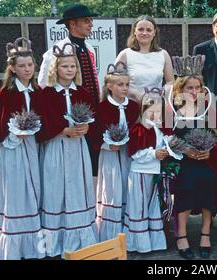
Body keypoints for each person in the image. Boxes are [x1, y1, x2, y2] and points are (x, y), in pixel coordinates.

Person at [167, 55, 217, 259]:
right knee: (186, 184)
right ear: (180, 90)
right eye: (189, 88)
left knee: (208, 179)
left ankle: (205, 233)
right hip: (181, 161)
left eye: (198, 88)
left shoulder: (206, 110)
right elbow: (167, 136)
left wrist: (208, 149)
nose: (194, 92)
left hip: (205, 160)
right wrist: (185, 150)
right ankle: (182, 236)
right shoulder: (173, 111)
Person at [37, 43, 98, 257]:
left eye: (73, 66)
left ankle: (80, 237)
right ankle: (54, 241)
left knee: (77, 186)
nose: (70, 70)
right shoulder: (46, 94)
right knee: (56, 187)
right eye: (65, 66)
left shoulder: (81, 92)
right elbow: (41, 124)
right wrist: (63, 129)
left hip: (77, 148)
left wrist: (87, 126)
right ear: (56, 69)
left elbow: (93, 118)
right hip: (56, 146)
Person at [0, 37, 44, 260]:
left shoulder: (38, 91)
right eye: (21, 65)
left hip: (34, 147)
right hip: (14, 149)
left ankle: (35, 245)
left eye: (30, 65)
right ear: (12, 68)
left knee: (35, 189)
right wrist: (12, 133)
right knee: (17, 191)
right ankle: (15, 244)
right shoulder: (4, 94)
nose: (27, 69)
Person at [38, 2, 100, 176]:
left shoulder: (88, 49)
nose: (91, 24)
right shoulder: (55, 52)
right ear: (73, 24)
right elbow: (45, 86)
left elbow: (93, 81)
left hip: (88, 118)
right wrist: (60, 123)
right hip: (66, 120)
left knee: (89, 164)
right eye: (86, 20)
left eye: (90, 20)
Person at [95, 63, 139, 242]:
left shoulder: (134, 106)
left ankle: (129, 231)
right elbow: (94, 132)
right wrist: (106, 145)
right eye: (120, 85)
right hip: (110, 155)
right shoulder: (102, 107)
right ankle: (110, 234)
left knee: (128, 187)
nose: (125, 88)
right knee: (112, 188)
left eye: (127, 85)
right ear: (110, 86)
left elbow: (138, 128)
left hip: (128, 154)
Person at [123, 88, 169, 253]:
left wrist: (166, 150)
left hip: (154, 172)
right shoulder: (138, 130)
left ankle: (153, 241)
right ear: (143, 110)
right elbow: (135, 154)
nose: (153, 115)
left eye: (157, 112)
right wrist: (153, 153)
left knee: (152, 205)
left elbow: (164, 146)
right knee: (139, 206)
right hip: (140, 173)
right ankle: (138, 242)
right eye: (151, 111)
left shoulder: (158, 130)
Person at [115, 15, 174, 102]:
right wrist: (136, 94)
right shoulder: (125, 55)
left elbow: (171, 82)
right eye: (141, 29)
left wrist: (163, 92)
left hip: (156, 106)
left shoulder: (163, 54)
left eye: (149, 30)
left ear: (154, 33)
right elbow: (115, 82)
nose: (144, 33)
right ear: (134, 31)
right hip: (130, 105)